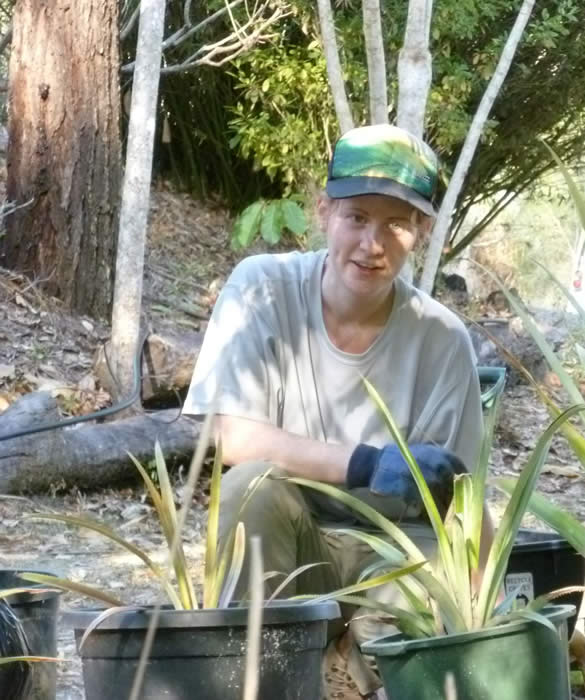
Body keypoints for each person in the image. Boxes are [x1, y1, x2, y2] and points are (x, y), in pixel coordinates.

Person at [183, 123, 495, 699]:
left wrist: (490, 615)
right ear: (324, 211)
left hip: (393, 555)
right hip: (296, 543)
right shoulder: (263, 289)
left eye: (396, 223)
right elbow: (228, 438)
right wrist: (367, 464)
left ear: (420, 232)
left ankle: (353, 667)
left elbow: (466, 504)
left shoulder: (443, 339)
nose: (372, 245)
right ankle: (263, 670)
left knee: (416, 592)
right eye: (357, 218)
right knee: (250, 487)